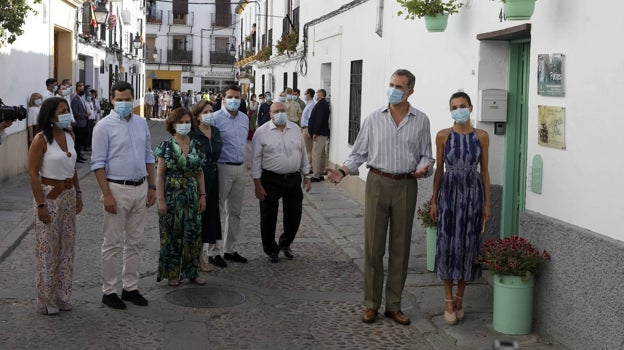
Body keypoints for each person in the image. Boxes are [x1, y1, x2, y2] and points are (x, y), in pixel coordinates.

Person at [326, 69, 434, 326]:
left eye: (399, 86)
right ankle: (371, 304)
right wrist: (342, 171)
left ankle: (394, 305)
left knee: (401, 248)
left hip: (406, 185)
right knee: (374, 247)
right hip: (377, 182)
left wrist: (424, 167)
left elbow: (426, 154)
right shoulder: (374, 118)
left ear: (410, 91)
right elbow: (359, 153)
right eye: (391, 84)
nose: (393, 89)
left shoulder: (421, 120)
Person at [91, 81, 156, 310]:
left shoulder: (141, 123)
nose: (124, 103)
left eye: (128, 99)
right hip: (116, 189)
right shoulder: (103, 126)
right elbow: (98, 163)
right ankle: (108, 291)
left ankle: (130, 287)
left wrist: (152, 187)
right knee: (112, 244)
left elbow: (149, 155)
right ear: (112, 100)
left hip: (141, 188)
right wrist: (106, 194)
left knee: (135, 242)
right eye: (119, 100)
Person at [430, 92, 491, 325]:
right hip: (449, 193)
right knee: (447, 243)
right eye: (454, 107)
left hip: (473, 194)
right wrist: (434, 200)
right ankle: (447, 299)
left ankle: (460, 298)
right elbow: (438, 170)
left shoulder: (482, 136)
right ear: (450, 110)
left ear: (471, 108)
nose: (458, 110)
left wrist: (487, 203)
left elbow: (484, 171)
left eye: (462, 106)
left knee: (468, 244)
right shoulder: (443, 136)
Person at [27, 97, 83, 315]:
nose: (67, 113)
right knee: (47, 249)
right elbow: (32, 173)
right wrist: (40, 203)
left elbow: (73, 167)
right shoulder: (41, 139)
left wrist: (78, 192)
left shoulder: (70, 135)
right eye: (62, 111)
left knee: (66, 249)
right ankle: (46, 299)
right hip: (49, 197)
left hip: (68, 196)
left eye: (67, 110)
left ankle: (62, 295)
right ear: (50, 115)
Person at [251, 101, 311, 263]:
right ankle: (271, 249)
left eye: (282, 110)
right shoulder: (262, 132)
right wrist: (257, 184)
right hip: (270, 179)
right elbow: (256, 159)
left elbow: (303, 152)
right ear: (270, 114)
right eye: (276, 111)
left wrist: (306, 174)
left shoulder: (296, 129)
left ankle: (286, 243)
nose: (279, 113)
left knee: (294, 214)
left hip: (293, 178)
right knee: (268, 215)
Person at [155, 107, 207, 286]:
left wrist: (203, 195)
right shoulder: (166, 146)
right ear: (173, 124)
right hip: (171, 196)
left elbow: (200, 172)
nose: (184, 125)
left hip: (192, 195)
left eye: (187, 122)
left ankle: (193, 271)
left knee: (193, 233)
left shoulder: (196, 145)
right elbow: (160, 175)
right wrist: (160, 199)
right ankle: (172, 273)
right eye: (180, 122)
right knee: (172, 234)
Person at [207, 85, 249, 267]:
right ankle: (212, 251)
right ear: (223, 98)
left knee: (235, 211)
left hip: (240, 168)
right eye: (230, 97)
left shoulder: (245, 118)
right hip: (222, 167)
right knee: (216, 210)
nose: (234, 100)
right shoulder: (215, 119)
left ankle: (230, 249)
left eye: (237, 97)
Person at [190, 100, 223, 272]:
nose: (209, 115)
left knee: (210, 215)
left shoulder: (216, 131)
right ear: (197, 116)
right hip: (197, 178)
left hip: (213, 176)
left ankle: (202, 254)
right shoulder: (192, 134)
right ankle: (196, 258)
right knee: (197, 217)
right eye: (205, 112)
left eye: (211, 111)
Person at [308, 89, 330, 182]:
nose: (316, 95)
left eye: (317, 94)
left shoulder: (321, 104)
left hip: (320, 133)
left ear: (321, 94)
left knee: (316, 153)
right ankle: (320, 173)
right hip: (322, 132)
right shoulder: (323, 104)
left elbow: (319, 119)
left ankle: (316, 175)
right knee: (321, 154)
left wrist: (315, 132)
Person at [70, 82, 89, 163]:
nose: (82, 88)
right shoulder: (75, 99)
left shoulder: (81, 98)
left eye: (82, 86)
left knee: (80, 141)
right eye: (80, 86)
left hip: (83, 123)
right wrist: (84, 115)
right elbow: (75, 112)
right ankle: (76, 157)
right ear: (76, 88)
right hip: (78, 124)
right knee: (77, 141)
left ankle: (79, 155)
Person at [300, 88, 316, 169]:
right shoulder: (308, 104)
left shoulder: (312, 105)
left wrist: (310, 131)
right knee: (307, 149)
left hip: (307, 129)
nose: (305, 95)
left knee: (308, 149)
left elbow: (311, 119)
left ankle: (309, 167)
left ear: (309, 94)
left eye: (305, 93)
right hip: (304, 128)